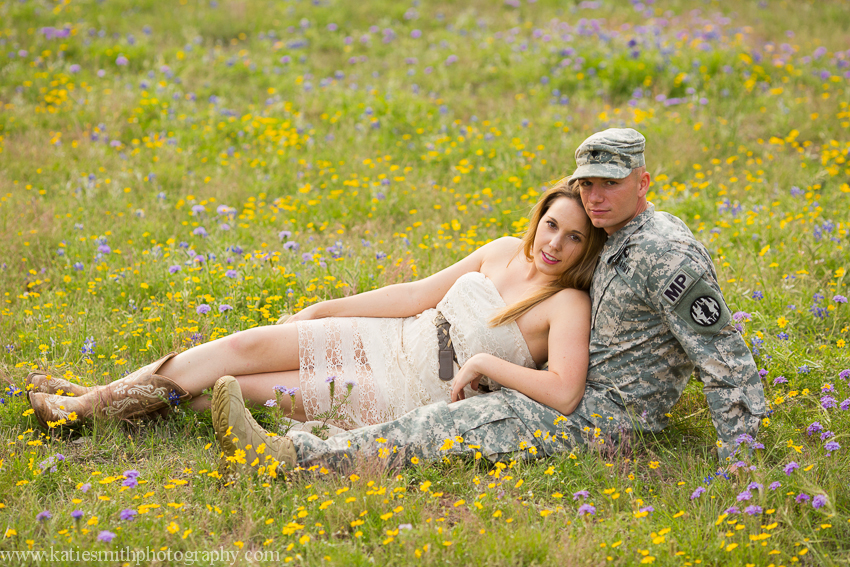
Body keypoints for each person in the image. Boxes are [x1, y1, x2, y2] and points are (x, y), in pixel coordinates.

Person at [211, 127, 767, 478]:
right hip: (562, 381)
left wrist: (741, 460)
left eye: (611, 184)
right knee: (449, 405)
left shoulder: (667, 254)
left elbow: (723, 354)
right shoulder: (608, 233)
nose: (595, 197)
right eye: (588, 183)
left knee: (445, 427)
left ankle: (290, 460)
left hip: (606, 416)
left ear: (643, 182)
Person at [26, 182, 607, 433]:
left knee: (245, 390)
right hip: (392, 337)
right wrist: (326, 306)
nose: (555, 244)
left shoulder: (568, 304)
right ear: (539, 218)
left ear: (587, 247)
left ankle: (92, 407)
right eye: (552, 225)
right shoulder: (503, 252)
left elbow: (564, 390)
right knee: (242, 346)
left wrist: (484, 367)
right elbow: (415, 295)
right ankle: (89, 402)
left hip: (413, 389)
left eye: (574, 238)